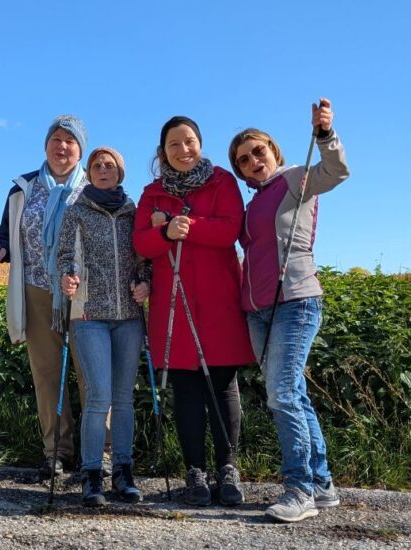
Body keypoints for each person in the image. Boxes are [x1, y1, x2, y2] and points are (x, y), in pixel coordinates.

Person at [228, 98, 349, 523]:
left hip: (296, 299)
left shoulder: (297, 178)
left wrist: (324, 135)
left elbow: (335, 171)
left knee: (281, 393)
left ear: (274, 151)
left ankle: (299, 491)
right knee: (292, 393)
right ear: (240, 171)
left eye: (258, 151)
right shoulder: (251, 205)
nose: (253, 161)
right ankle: (322, 484)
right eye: (243, 159)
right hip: (258, 309)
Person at [133, 116, 254, 507]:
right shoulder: (152, 192)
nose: (183, 150)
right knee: (185, 388)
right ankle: (195, 471)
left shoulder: (221, 181)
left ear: (200, 143)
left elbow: (229, 230)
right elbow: (142, 243)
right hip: (174, 302)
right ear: (162, 152)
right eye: (174, 145)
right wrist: (164, 232)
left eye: (189, 142)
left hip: (218, 299)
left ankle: (228, 468)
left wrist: (183, 226)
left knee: (222, 385)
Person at [0, 116, 112, 476]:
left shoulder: (95, 185)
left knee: (91, 374)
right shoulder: (23, 188)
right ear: (46, 145)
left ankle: (101, 453)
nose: (62, 147)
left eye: (71, 141)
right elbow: (5, 237)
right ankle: (57, 452)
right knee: (46, 374)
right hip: (36, 287)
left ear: (81, 149)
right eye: (56, 140)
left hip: (85, 292)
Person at [58, 147, 149, 507]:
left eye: (109, 165)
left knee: (124, 399)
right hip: (89, 315)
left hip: (128, 316)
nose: (102, 169)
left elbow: (145, 260)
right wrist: (67, 277)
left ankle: (124, 472)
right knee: (99, 398)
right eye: (96, 165)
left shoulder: (133, 212)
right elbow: (66, 256)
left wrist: (147, 283)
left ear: (119, 173)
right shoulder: (76, 211)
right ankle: (92, 475)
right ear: (89, 173)